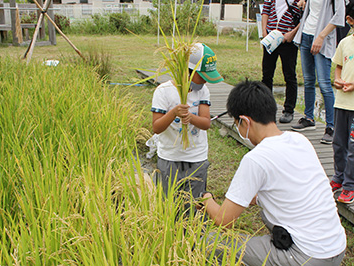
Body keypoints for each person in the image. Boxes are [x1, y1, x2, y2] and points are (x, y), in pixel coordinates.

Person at [199, 81, 346, 265]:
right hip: (337, 247)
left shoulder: (257, 159)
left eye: (237, 124)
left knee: (210, 242)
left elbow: (224, 220)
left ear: (245, 121)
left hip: (307, 256)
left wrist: (206, 199)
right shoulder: (299, 140)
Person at [151, 43, 223, 200]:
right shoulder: (163, 91)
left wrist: (191, 118)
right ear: (187, 71)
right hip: (170, 156)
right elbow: (156, 127)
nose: (205, 81)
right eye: (202, 76)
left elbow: (206, 123)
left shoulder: (203, 90)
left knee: (194, 203)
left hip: (196, 157)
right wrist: (174, 113)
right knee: (168, 202)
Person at [291, 0, 346, 144]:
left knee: (324, 84)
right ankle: (308, 118)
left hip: (323, 37)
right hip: (306, 35)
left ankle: (331, 127)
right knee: (308, 80)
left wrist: (321, 36)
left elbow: (340, 15)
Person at [329, 2, 354, 204]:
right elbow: (338, 66)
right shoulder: (345, 43)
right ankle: (338, 176)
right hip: (342, 103)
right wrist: (338, 79)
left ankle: (350, 185)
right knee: (339, 143)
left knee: (353, 148)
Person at [261, 0, 301, 123]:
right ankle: (266, 108)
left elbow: (304, 18)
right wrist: (264, 33)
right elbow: (265, 11)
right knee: (267, 74)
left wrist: (292, 34)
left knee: (289, 76)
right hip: (271, 38)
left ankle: (288, 110)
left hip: (288, 40)